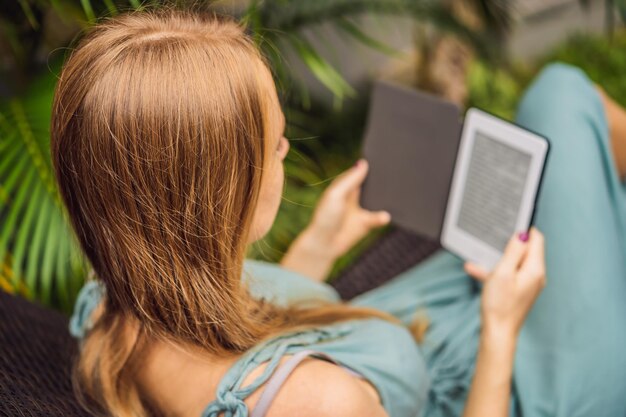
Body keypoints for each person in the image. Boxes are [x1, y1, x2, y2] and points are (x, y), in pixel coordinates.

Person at [52, 9, 626, 417]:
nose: (286, 153)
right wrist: (501, 326)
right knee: (560, 93)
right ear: (221, 198)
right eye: (277, 144)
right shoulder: (323, 405)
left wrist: (321, 244)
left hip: (441, 319)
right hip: (521, 380)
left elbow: (257, 330)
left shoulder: (124, 296)